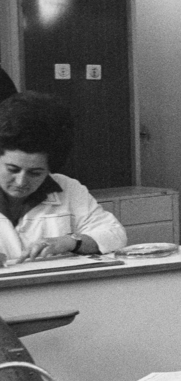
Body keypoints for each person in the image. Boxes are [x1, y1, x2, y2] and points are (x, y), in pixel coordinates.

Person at [0, 91, 126, 264]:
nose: (21, 181)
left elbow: (114, 234)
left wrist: (69, 242)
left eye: (35, 173)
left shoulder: (68, 188)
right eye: (12, 169)